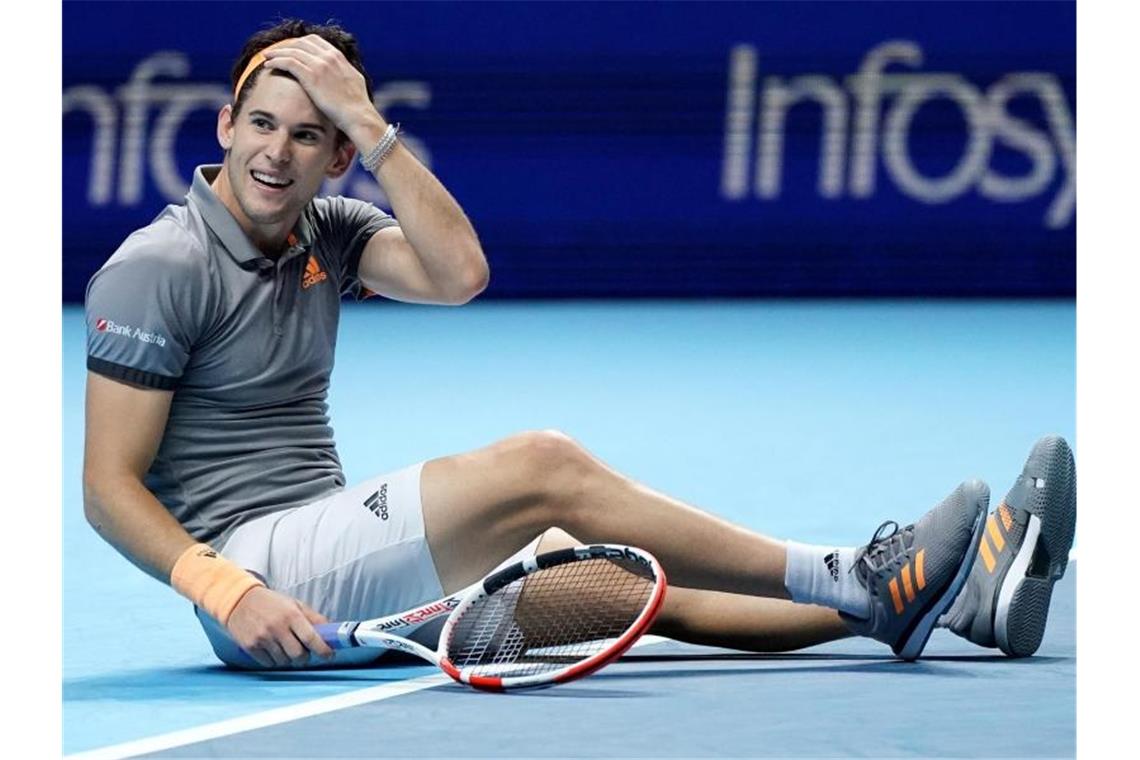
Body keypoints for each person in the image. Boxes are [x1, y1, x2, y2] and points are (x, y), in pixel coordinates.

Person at [82, 19, 1076, 671]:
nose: (274, 152)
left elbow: (460, 274)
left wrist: (373, 128)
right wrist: (228, 587)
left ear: (339, 153)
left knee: (613, 574)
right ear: (223, 122)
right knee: (546, 465)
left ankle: (929, 604)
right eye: (259, 123)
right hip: (254, 577)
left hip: (332, 551)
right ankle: (856, 573)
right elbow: (107, 487)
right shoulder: (158, 266)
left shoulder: (326, 226)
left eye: (309, 134)